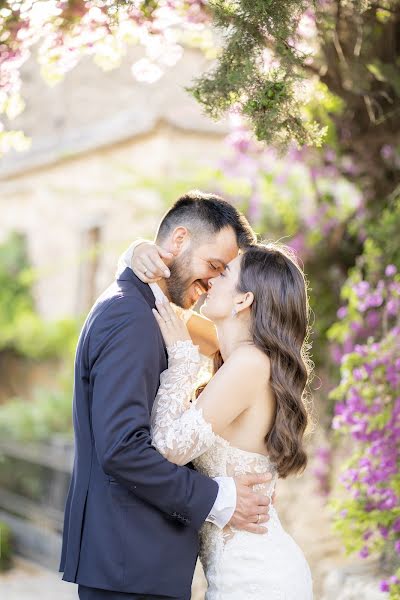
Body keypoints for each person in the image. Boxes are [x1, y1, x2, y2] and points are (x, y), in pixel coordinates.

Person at [59, 191, 276, 600]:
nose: (212, 283)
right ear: (178, 241)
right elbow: (123, 449)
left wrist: (132, 254)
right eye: (213, 266)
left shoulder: (154, 311)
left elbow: (220, 338)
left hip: (137, 566)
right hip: (129, 566)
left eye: (222, 275)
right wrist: (220, 497)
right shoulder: (131, 318)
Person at [125, 238, 314, 599]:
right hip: (237, 573)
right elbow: (161, 306)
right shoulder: (238, 356)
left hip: (255, 578)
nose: (211, 281)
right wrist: (135, 252)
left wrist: (181, 359)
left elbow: (168, 449)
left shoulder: (249, 363)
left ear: (244, 300)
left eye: (224, 273)